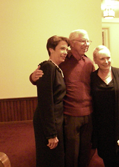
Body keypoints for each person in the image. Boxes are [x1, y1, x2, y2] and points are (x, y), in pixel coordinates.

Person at [30, 29, 94, 167]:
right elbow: (44, 81)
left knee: (85, 151)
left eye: (88, 41)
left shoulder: (88, 62)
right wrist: (32, 77)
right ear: (73, 43)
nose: (86, 44)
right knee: (70, 153)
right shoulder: (62, 61)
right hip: (69, 114)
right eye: (83, 41)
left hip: (88, 113)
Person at [90, 45, 119, 167]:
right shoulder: (92, 78)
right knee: (108, 157)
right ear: (95, 60)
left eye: (108, 57)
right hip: (103, 126)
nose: (106, 61)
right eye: (102, 59)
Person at [33, 35, 69, 167]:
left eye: (67, 49)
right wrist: (51, 133)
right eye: (62, 48)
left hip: (55, 119)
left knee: (56, 157)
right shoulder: (47, 67)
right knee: (49, 158)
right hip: (48, 121)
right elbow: (45, 102)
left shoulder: (56, 68)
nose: (65, 52)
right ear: (51, 49)